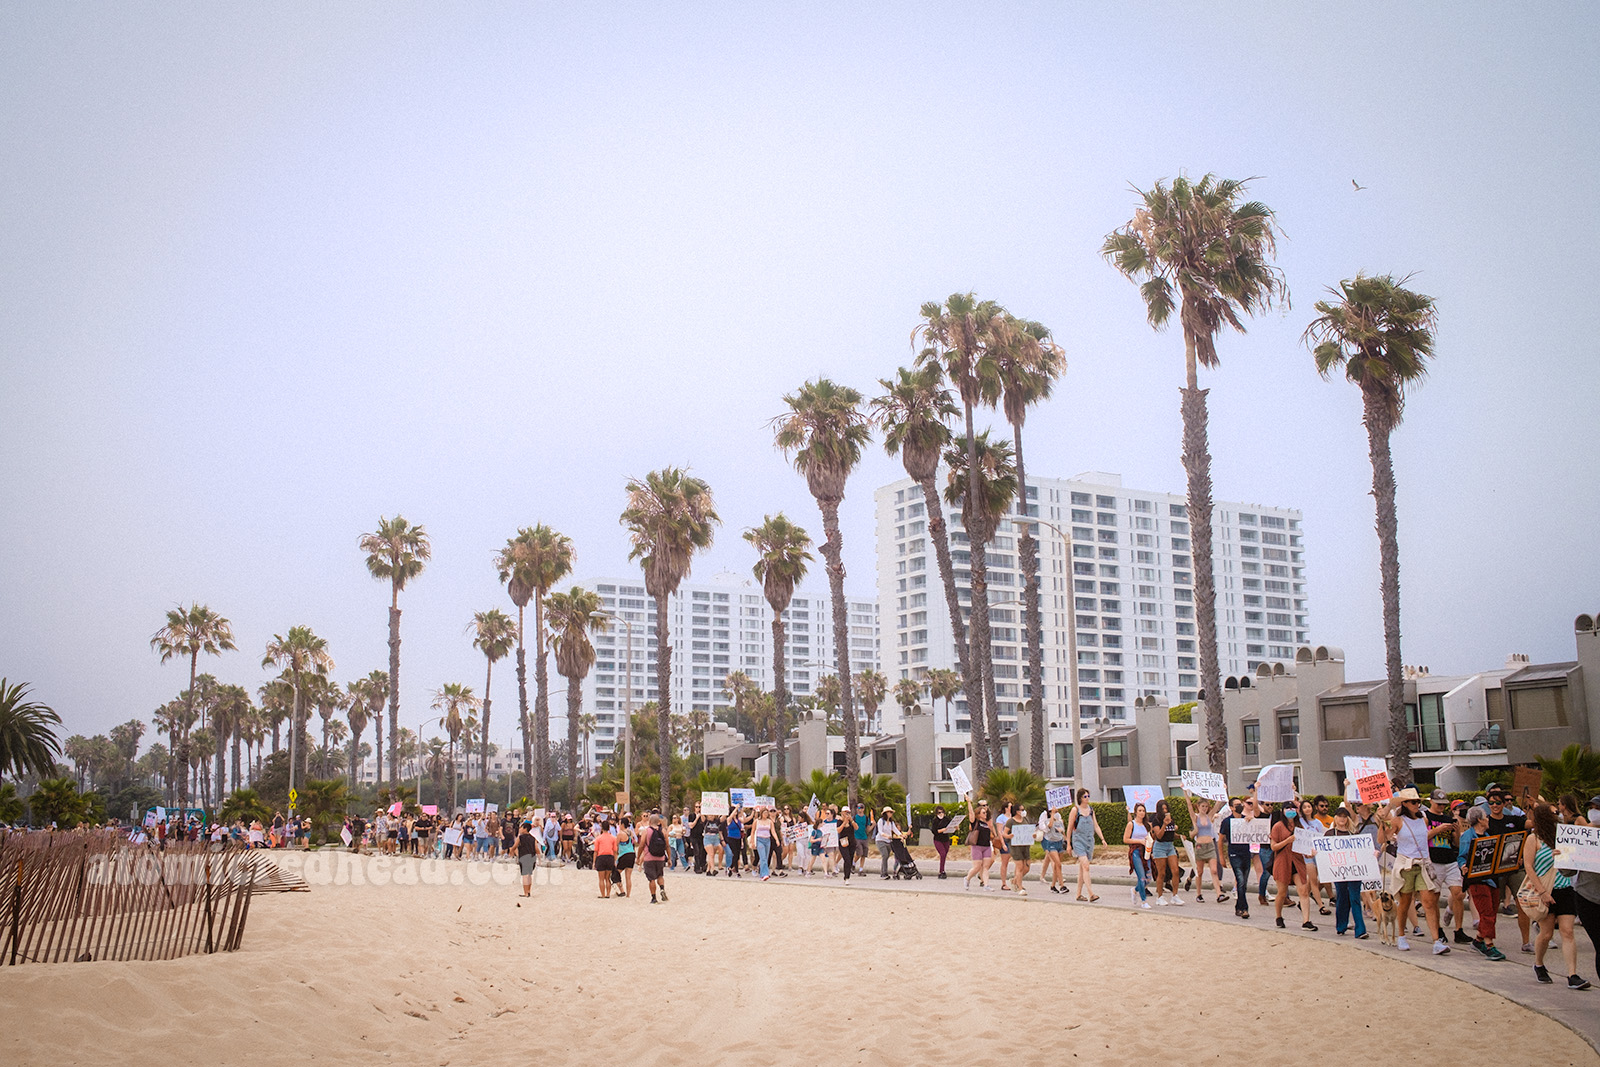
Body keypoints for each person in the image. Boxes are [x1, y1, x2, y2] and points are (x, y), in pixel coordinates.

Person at [1523, 802, 1591, 989]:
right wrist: (1542, 892)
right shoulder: (1534, 839)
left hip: (1565, 887)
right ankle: (1539, 963)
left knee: (1567, 931)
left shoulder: (1564, 836)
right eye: (1554, 812)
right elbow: (1528, 866)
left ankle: (1572, 974)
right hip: (1546, 889)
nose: (1559, 814)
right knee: (1546, 933)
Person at [1387, 788, 1444, 952]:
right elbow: (1384, 837)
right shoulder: (1397, 820)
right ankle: (1401, 935)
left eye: (1418, 801)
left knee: (1429, 902)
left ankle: (1436, 941)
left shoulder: (1423, 818)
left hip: (1423, 864)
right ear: (1404, 803)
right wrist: (1383, 821)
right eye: (1413, 802)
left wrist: (1438, 830)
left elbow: (1423, 837)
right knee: (1405, 902)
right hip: (1406, 865)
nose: (1417, 804)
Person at [1456, 806, 1506, 960]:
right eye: (1486, 817)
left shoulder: (1487, 835)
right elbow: (1461, 857)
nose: (1488, 819)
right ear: (1479, 819)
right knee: (1486, 913)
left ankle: (1478, 940)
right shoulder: (1468, 837)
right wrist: (1463, 867)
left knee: (1492, 911)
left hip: (1491, 878)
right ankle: (1489, 945)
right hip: (1477, 879)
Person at [1423, 789, 1468, 946]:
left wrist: (1456, 833)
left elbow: (1456, 844)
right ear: (1431, 802)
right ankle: (1438, 929)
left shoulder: (1450, 819)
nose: (1441, 807)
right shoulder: (1426, 817)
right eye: (1438, 804)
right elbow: (1422, 838)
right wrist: (1438, 830)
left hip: (1449, 859)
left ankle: (1459, 929)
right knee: (1433, 897)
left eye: (1443, 804)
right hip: (1433, 860)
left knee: (1459, 893)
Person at [1323, 806, 1368, 939]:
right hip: (1339, 871)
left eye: (1344, 816)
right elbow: (1323, 852)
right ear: (1335, 818)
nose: (1342, 818)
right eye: (1339, 816)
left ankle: (1360, 929)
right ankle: (1341, 925)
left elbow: (1362, 851)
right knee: (1342, 897)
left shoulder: (1354, 835)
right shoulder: (1330, 834)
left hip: (1353, 870)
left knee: (1354, 898)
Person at [1270, 804, 1315, 931]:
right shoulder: (1278, 826)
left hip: (1297, 862)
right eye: (1287, 809)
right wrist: (1287, 841)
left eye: (1293, 809)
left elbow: (1303, 846)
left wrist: (1309, 852)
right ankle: (1278, 916)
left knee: (1303, 890)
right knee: (1282, 892)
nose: (1291, 811)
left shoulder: (1299, 826)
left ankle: (1306, 920)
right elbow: (1273, 846)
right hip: (1282, 862)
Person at [1184, 793, 1228, 904]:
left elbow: (1217, 805)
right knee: (1199, 871)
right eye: (1202, 806)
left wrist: (1221, 790)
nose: (1204, 808)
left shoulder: (1209, 817)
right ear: (1198, 807)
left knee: (1214, 870)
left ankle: (1219, 894)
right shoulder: (1196, 817)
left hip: (1210, 845)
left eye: (1206, 806)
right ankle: (1198, 894)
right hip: (1200, 846)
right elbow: (1189, 805)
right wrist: (1185, 791)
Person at [1220, 798, 1259, 920]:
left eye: (1240, 804)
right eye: (1236, 805)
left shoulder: (1245, 819)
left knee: (1244, 883)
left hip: (1246, 853)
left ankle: (1238, 906)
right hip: (1234, 854)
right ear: (1231, 807)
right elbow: (1220, 840)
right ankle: (1244, 908)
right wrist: (1222, 857)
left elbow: (1255, 833)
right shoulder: (1227, 822)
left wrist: (1252, 822)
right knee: (1240, 880)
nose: (1239, 806)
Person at [1067, 789, 1105, 902]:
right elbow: (1069, 827)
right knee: (1086, 865)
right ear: (1080, 798)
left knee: (1082, 869)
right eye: (1085, 796)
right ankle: (1091, 893)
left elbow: (1096, 826)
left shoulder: (1091, 810)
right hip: (1078, 841)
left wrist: (1102, 839)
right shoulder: (1075, 810)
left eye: (1088, 795)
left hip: (1089, 841)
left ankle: (1078, 894)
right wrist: (1068, 844)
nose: (1087, 798)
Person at [1148, 800, 1183, 906]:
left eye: (1166, 808)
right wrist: (1164, 824)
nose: (1165, 811)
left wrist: (1178, 836)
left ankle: (1175, 895)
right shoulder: (1156, 820)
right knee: (1162, 872)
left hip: (1170, 845)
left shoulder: (1171, 819)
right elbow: (1158, 835)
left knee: (1175, 870)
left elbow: (1170, 833)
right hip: (1160, 847)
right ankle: (1160, 896)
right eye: (1163, 809)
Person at [963, 797, 994, 890]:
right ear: (979, 814)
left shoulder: (986, 823)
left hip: (986, 846)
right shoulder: (975, 822)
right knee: (977, 867)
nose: (985, 814)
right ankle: (967, 878)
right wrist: (968, 802)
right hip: (977, 846)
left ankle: (986, 885)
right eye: (983, 812)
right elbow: (971, 813)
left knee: (985, 867)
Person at [1124, 803, 1151, 908]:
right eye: (1140, 811)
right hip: (1135, 851)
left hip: (1146, 851)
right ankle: (1144, 901)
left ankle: (1135, 890)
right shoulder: (1131, 824)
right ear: (1135, 812)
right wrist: (1139, 841)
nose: (1142, 813)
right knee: (1142, 877)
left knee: (1149, 877)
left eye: (1143, 811)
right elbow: (1126, 839)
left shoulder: (1146, 825)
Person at [1038, 805, 1066, 894]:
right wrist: (1052, 814)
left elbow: (1061, 827)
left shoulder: (1058, 816)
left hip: (1059, 840)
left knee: (1056, 865)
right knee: (1057, 863)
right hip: (1050, 842)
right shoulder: (1045, 815)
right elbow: (1048, 826)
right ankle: (1062, 885)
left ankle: (1053, 885)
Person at [643, 813, 670, 903]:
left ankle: (654, 897)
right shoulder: (663, 831)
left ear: (650, 822)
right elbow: (667, 846)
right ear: (658, 822)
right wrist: (669, 858)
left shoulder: (647, 831)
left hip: (649, 857)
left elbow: (642, 844)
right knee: (660, 875)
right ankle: (662, 889)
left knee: (651, 879)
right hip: (660, 857)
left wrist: (638, 856)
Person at [1008, 807, 1034, 895]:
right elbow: (1004, 833)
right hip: (1015, 846)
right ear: (1017, 811)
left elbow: (1029, 831)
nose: (1023, 811)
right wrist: (1009, 836)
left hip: (1025, 846)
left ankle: (1015, 880)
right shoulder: (1011, 821)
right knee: (1020, 866)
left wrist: (1032, 835)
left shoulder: (1025, 819)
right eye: (1021, 809)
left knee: (1027, 867)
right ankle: (1020, 887)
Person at [592, 820, 618, 899]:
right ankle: (608, 894)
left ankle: (603, 894)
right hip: (610, 857)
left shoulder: (598, 838)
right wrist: (615, 861)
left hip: (601, 857)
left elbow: (596, 851)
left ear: (601, 828)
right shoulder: (613, 838)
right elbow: (615, 851)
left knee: (601, 878)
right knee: (607, 878)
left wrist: (594, 862)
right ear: (609, 828)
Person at [516, 820, 540, 897]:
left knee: (525, 875)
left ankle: (526, 893)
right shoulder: (533, 838)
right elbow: (537, 849)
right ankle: (529, 891)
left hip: (523, 857)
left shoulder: (521, 837)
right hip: (532, 857)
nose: (520, 829)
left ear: (525, 829)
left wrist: (513, 853)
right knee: (529, 875)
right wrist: (539, 859)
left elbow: (514, 846)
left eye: (521, 828)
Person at [931, 805, 955, 879]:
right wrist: (943, 830)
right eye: (939, 813)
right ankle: (941, 871)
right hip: (938, 839)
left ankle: (942, 870)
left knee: (944, 855)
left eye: (942, 812)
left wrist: (955, 827)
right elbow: (934, 831)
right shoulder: (935, 821)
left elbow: (951, 825)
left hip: (945, 839)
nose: (941, 814)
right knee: (942, 853)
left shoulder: (946, 819)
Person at [616, 816, 638, 897]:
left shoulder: (620, 834)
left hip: (624, 855)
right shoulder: (630, 832)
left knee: (616, 874)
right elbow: (634, 841)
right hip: (631, 854)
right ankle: (628, 895)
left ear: (622, 824)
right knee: (628, 877)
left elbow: (616, 846)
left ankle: (622, 890)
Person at [753, 806, 775, 880]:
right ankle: (765, 874)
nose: (766, 814)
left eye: (766, 813)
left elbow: (773, 831)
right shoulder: (756, 821)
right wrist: (753, 842)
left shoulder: (770, 821)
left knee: (766, 857)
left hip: (767, 840)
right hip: (760, 839)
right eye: (764, 813)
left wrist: (777, 840)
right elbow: (753, 832)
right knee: (763, 858)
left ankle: (762, 873)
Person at [876, 807, 897, 879]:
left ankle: (884, 872)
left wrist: (901, 835)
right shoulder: (881, 821)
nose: (890, 814)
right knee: (884, 855)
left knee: (887, 856)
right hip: (881, 840)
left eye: (891, 812)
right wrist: (886, 836)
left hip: (889, 841)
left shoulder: (891, 822)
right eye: (889, 812)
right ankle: (883, 873)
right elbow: (880, 831)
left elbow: (895, 829)